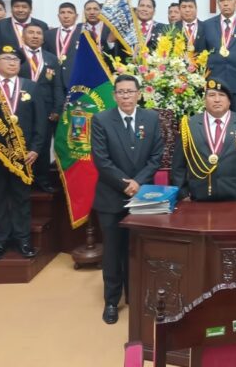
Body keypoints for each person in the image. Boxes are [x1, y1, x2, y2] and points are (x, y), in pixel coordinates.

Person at [91, 74, 163, 325]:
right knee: (113, 251)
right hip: (111, 197)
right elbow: (101, 160)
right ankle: (111, 301)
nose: (125, 96)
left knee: (139, 250)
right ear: (114, 96)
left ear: (139, 94)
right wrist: (126, 185)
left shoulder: (151, 118)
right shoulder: (101, 120)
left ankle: (136, 296)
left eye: (130, 92)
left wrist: (138, 183)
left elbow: (156, 157)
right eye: (120, 92)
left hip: (143, 197)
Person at [0, 45, 47, 262]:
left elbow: (40, 121)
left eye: (15, 59)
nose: (13, 62)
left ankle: (23, 240)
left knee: (21, 198)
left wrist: (35, 149)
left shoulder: (31, 87)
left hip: (23, 155)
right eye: (7, 58)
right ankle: (1, 241)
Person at [172, 79, 236, 201]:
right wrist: (183, 194)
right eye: (212, 95)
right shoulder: (189, 124)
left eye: (222, 95)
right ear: (204, 100)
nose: (217, 99)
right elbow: (178, 164)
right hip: (198, 197)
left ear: (229, 101)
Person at [19, 23, 64, 193]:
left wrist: (57, 109)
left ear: (43, 38)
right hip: (21, 108)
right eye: (31, 32)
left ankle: (42, 180)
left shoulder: (51, 58)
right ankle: (23, 179)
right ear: (23, 36)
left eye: (39, 33)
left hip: (45, 109)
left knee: (43, 145)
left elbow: (57, 86)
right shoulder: (15, 56)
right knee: (22, 142)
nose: (35, 36)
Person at [44, 2, 81, 92]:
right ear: (58, 16)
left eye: (70, 12)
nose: (66, 16)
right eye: (62, 12)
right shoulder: (48, 34)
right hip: (53, 81)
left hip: (76, 81)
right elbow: (44, 56)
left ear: (76, 16)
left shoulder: (84, 34)